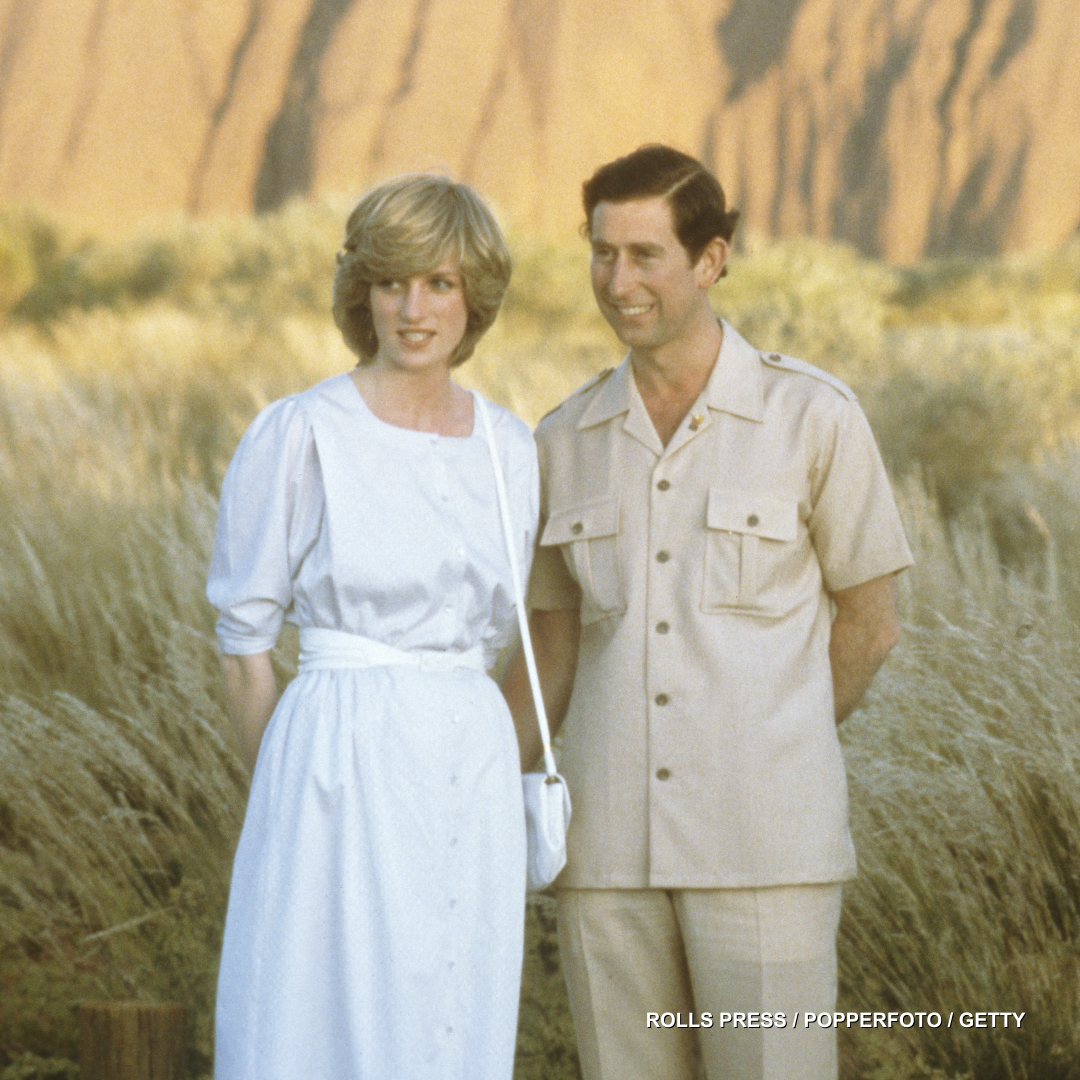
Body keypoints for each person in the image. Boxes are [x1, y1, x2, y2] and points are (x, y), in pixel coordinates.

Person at [502, 145, 914, 1080]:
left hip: (767, 844)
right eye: (603, 253)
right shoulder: (561, 440)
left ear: (712, 259)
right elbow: (549, 653)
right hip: (604, 857)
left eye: (645, 255)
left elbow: (871, 621)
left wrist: (777, 738)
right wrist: (476, 786)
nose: (618, 281)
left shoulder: (813, 417)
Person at [206, 174, 538, 1080]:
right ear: (362, 292)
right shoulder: (302, 432)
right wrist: (284, 786)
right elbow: (243, 643)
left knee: (451, 1006)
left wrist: (494, 757)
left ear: (476, 297)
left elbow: (518, 631)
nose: (414, 308)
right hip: (334, 754)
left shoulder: (511, 449)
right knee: (312, 1008)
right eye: (391, 282)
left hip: (470, 763)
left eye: (439, 282)